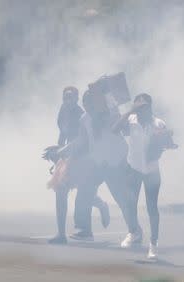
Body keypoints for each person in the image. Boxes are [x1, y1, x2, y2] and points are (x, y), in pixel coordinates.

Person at [55, 90, 132, 242]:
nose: (86, 105)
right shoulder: (84, 119)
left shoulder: (109, 114)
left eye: (89, 102)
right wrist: (61, 151)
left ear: (97, 103)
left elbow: (121, 125)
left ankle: (134, 230)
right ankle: (85, 230)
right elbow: (80, 141)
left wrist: (110, 101)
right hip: (98, 162)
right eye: (85, 102)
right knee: (84, 191)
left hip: (115, 162)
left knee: (121, 197)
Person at [113, 93, 177, 259]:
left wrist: (166, 141)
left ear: (150, 107)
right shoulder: (131, 120)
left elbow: (167, 143)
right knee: (129, 202)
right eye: (138, 107)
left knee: (151, 208)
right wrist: (129, 111)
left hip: (151, 170)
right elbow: (114, 130)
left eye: (143, 107)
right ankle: (133, 232)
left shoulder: (158, 123)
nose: (141, 110)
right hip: (133, 168)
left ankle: (153, 244)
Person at [44, 87, 109, 245]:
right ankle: (61, 234)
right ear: (62, 98)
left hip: (82, 157)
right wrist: (58, 153)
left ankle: (100, 204)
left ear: (77, 99)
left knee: (83, 194)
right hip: (68, 154)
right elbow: (63, 133)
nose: (68, 100)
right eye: (66, 97)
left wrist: (62, 152)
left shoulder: (82, 115)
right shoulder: (62, 112)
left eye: (72, 97)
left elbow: (82, 141)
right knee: (60, 191)